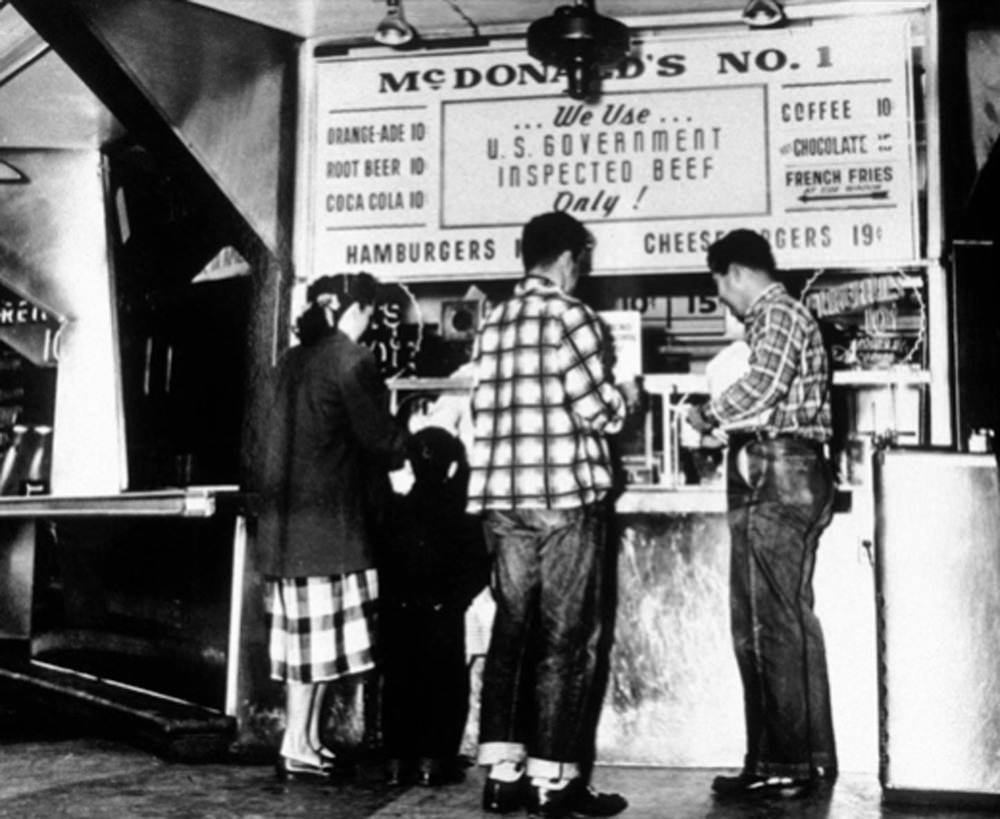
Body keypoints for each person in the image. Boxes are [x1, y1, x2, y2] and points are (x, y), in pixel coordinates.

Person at [468, 211, 636, 818]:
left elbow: (485, 411)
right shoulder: (572, 316)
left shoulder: (493, 322)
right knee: (567, 640)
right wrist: (625, 399)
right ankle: (555, 782)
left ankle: (502, 775)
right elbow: (598, 410)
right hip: (563, 499)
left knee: (513, 631)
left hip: (503, 503)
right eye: (581, 259)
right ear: (568, 257)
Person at [685, 229, 837, 798]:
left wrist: (709, 415)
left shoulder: (777, 313)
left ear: (736, 273)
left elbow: (764, 387)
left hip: (774, 468)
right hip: (801, 469)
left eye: (720, 286)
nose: (723, 299)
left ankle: (778, 763)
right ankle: (810, 758)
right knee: (793, 622)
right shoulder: (794, 314)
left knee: (762, 624)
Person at [255, 272, 408, 781]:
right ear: (345, 310)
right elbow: (381, 441)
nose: (369, 323)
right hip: (329, 531)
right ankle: (296, 743)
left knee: (311, 648)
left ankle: (309, 739)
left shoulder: (291, 360)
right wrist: (414, 437)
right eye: (366, 311)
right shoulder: (349, 358)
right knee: (317, 649)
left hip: (287, 531)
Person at [379, 425, 489, 788]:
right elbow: (477, 567)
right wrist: (453, 600)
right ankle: (433, 760)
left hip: (398, 612)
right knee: (444, 686)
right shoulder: (460, 513)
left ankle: (397, 759)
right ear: (452, 465)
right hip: (443, 614)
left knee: (398, 685)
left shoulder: (396, 509)